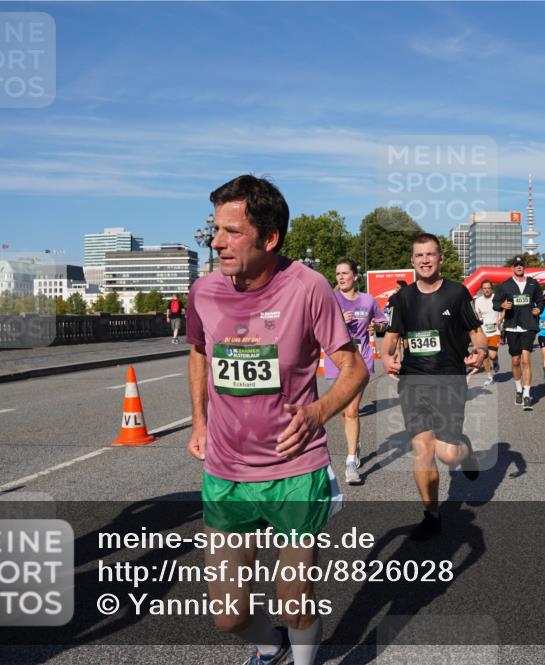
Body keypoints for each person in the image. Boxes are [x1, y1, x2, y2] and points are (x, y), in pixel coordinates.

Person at [186, 175, 368, 665]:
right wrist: (199, 422)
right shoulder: (203, 291)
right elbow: (200, 352)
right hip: (227, 473)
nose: (216, 241)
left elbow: (354, 367)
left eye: (231, 231)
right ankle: (270, 646)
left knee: (294, 599)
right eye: (214, 230)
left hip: (294, 469)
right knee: (228, 614)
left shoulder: (308, 288)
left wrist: (318, 411)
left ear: (270, 239)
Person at [381, 233, 487, 540]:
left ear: (440, 258)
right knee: (421, 448)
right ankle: (431, 513)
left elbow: (477, 333)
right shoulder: (402, 298)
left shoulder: (457, 294)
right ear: (412, 261)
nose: (425, 260)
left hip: (449, 380)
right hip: (413, 380)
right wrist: (386, 358)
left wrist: (480, 352)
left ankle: (464, 450)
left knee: (448, 455)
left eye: (431, 254)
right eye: (419, 255)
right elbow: (392, 336)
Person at [325, 259, 387, 486]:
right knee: (344, 412)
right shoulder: (331, 299)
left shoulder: (367, 300)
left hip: (361, 360)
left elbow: (382, 321)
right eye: (338, 273)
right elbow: (318, 326)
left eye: (345, 273)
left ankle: (351, 462)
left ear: (355, 276)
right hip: (337, 361)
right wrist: (338, 321)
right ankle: (356, 444)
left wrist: (378, 326)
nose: (341, 277)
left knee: (352, 411)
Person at [492, 256, 544, 410]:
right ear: (512, 268)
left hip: (529, 325)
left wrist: (539, 309)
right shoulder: (505, 285)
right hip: (512, 325)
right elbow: (495, 303)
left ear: (524, 267)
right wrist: (502, 304)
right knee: (515, 360)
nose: (519, 267)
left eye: (521, 265)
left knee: (526, 359)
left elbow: (540, 300)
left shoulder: (533, 284)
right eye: (516, 265)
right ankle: (519, 389)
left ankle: (527, 394)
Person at [473, 280, 503, 385]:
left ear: (491, 289)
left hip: (495, 331)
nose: (487, 290)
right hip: (483, 332)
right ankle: (489, 377)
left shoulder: (497, 298)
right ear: (482, 290)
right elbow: (478, 315)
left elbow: (503, 310)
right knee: (484, 355)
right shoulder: (478, 301)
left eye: (488, 288)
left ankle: (495, 362)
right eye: (484, 288)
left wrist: (500, 319)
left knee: (492, 355)